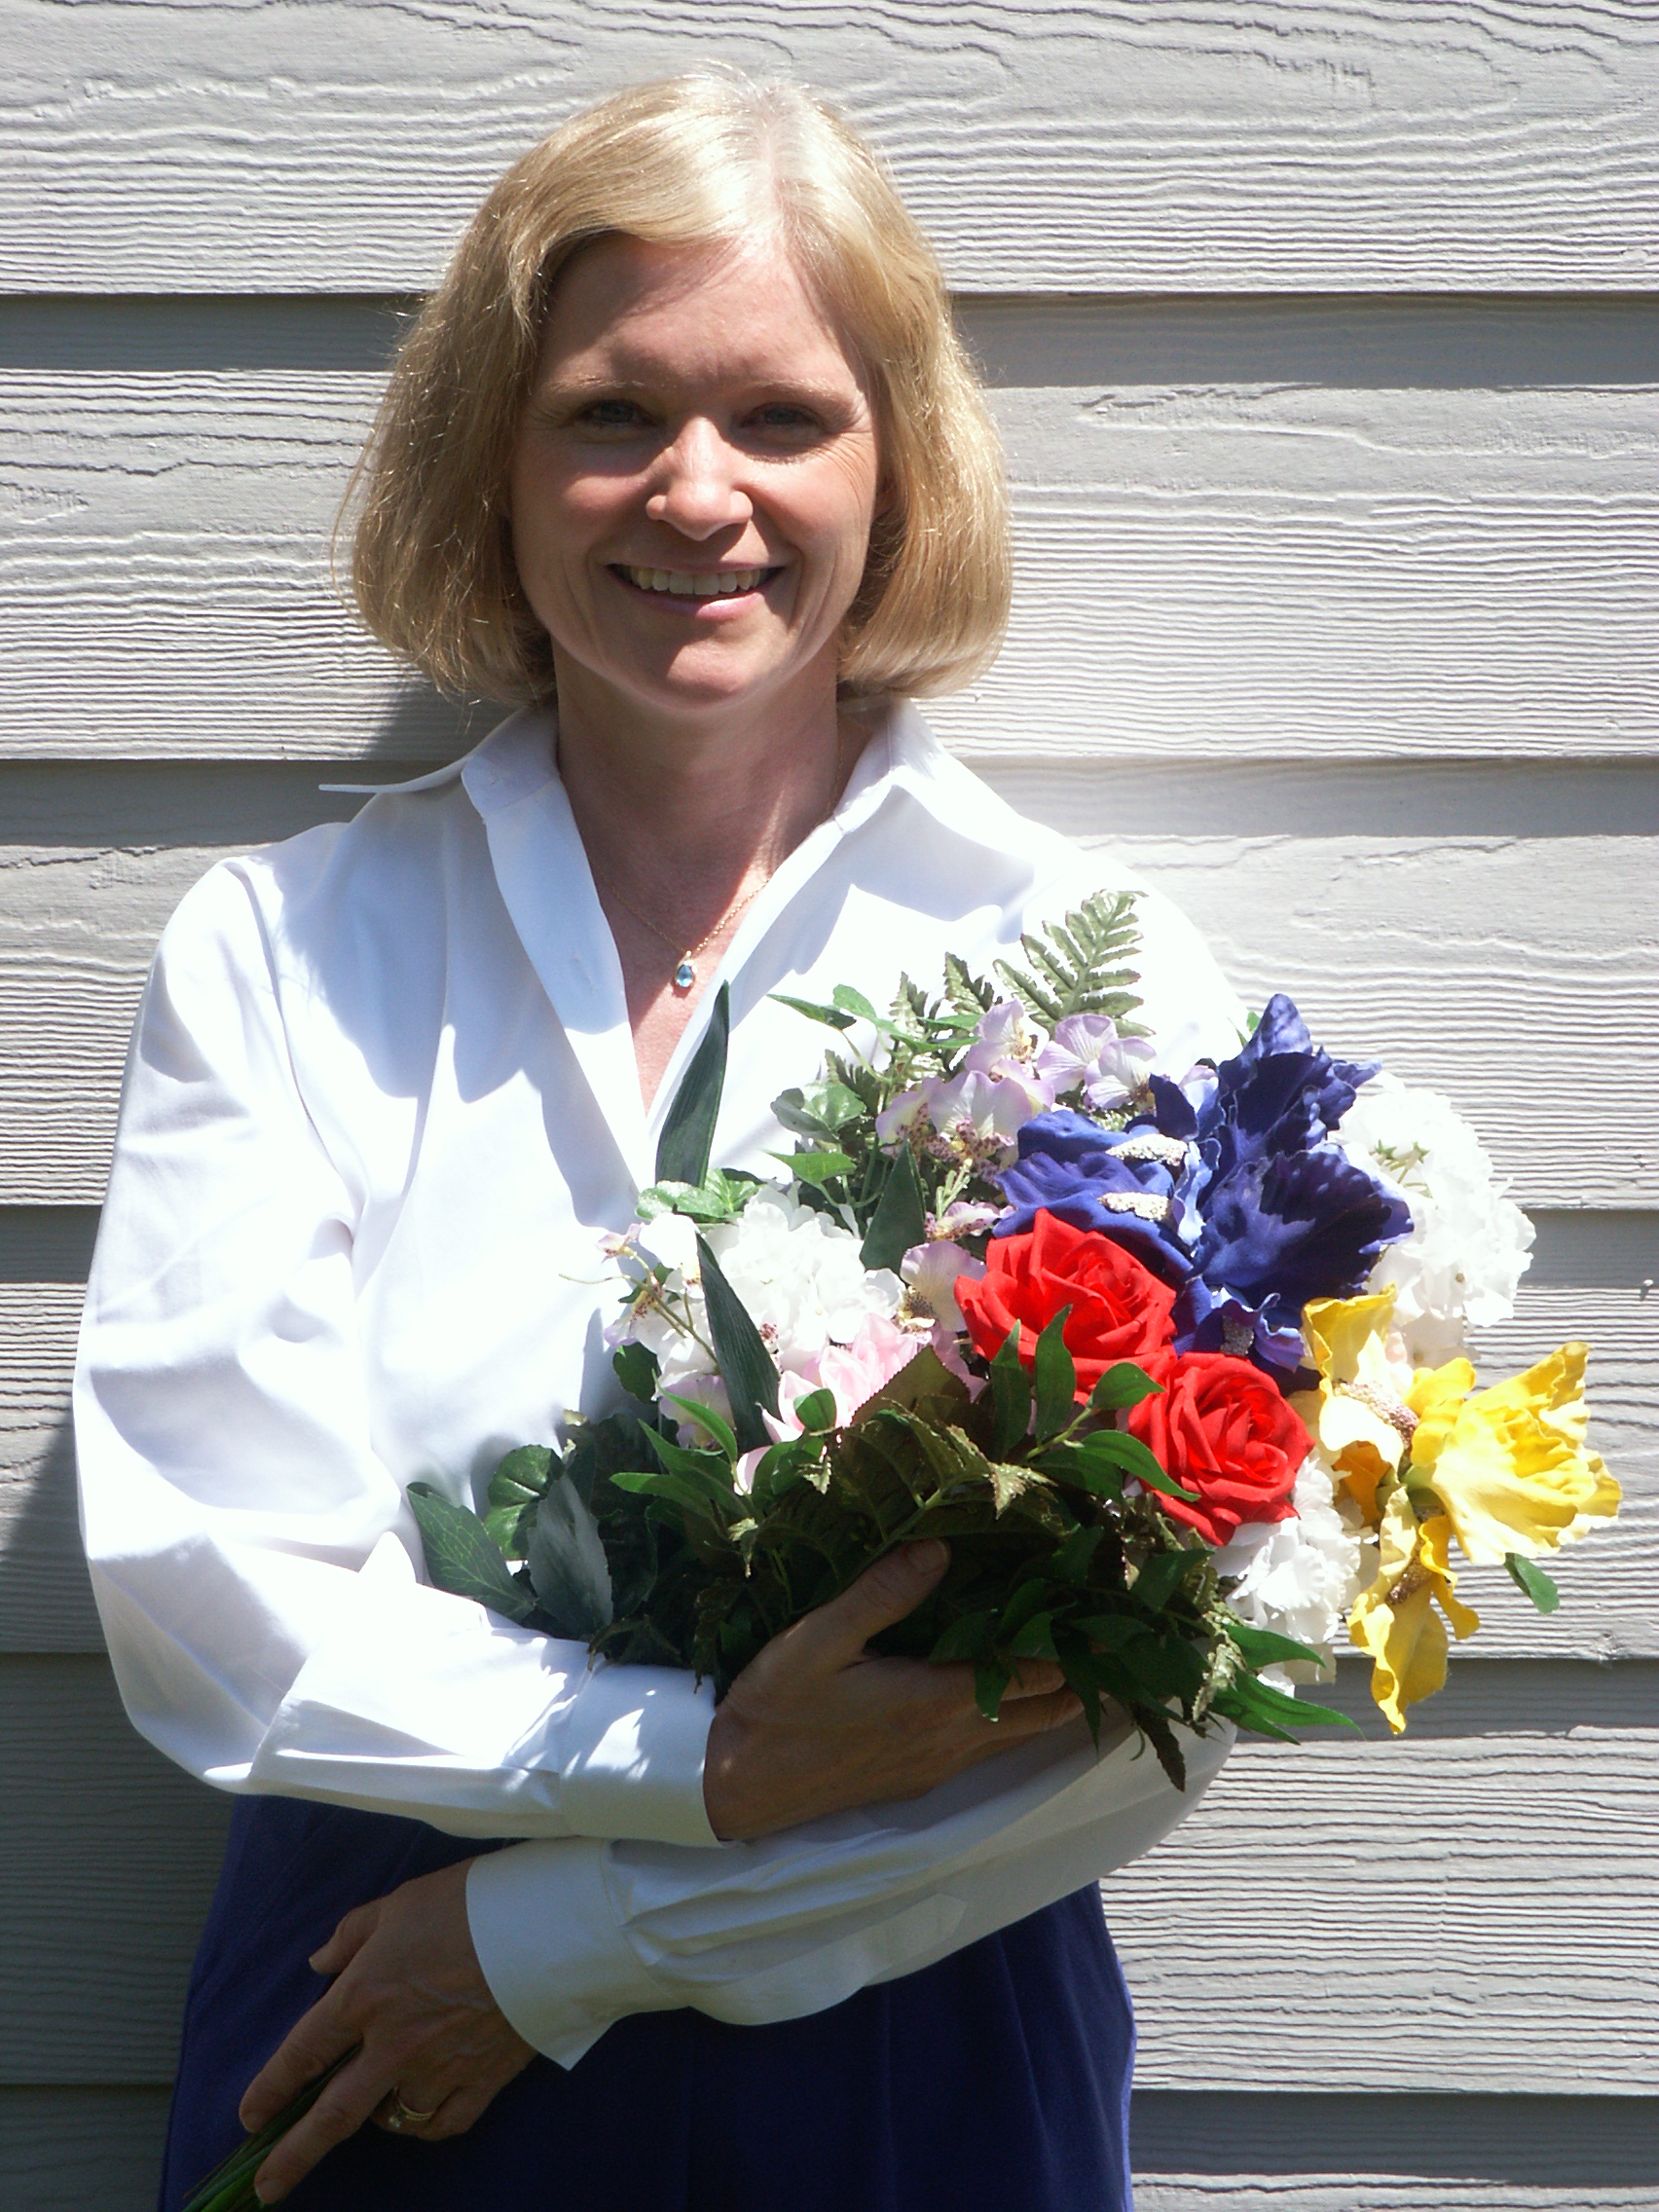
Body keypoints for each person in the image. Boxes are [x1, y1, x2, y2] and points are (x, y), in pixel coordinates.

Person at [74, 74, 1243, 2212]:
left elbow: (1166, 1672)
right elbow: (208, 1590)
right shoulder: (290, 949)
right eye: (610, 412)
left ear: (897, 466)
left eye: (782, 416)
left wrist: (574, 1938)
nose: (697, 492)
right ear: (492, 463)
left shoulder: (1094, 977)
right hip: (369, 2012)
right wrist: (700, 1766)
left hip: (906, 2026)